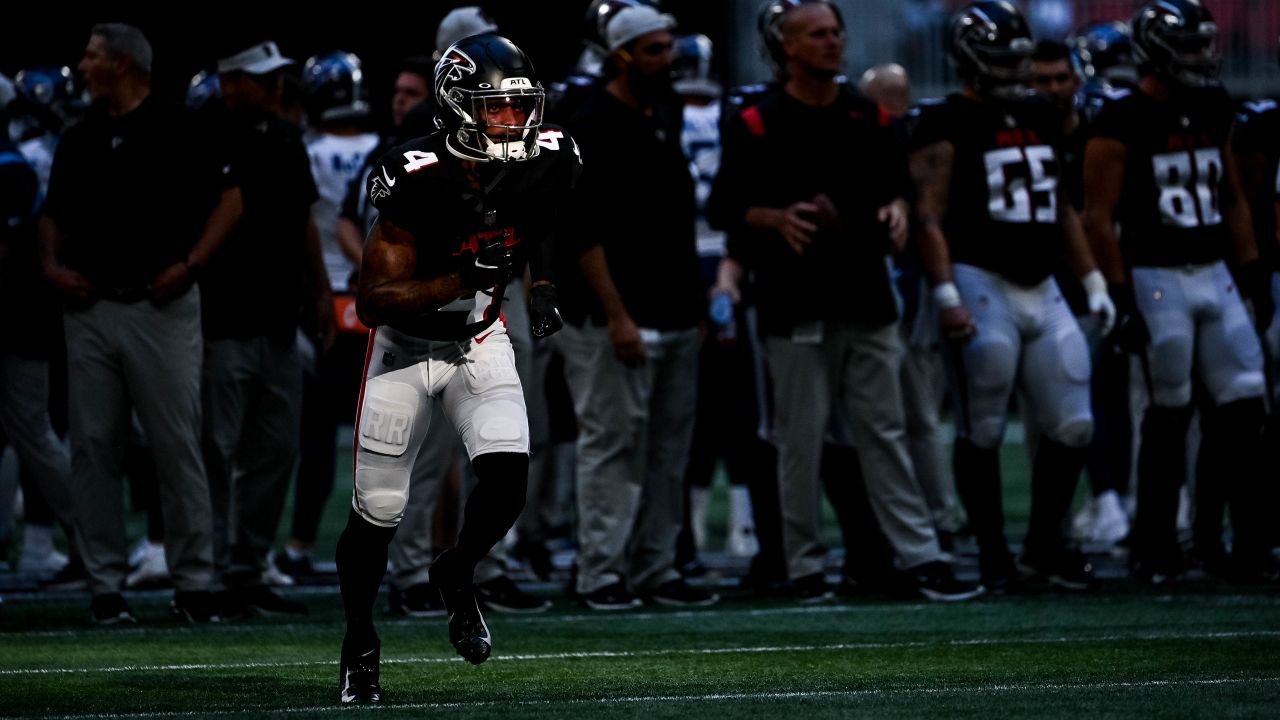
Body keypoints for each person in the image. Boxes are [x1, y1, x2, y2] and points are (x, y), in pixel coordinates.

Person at [335, 33, 579, 704]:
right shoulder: (415, 174)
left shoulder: (546, 158)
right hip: (404, 349)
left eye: (520, 107)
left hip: (479, 337)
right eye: (497, 109)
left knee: (508, 478)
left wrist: (545, 280)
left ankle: (457, 570)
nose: (515, 121)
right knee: (379, 511)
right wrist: (455, 279)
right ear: (457, 106)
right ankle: (360, 641)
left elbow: (542, 213)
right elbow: (373, 300)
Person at [710, 0, 980, 603]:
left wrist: (900, 208)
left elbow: (901, 190)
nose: (833, 42)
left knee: (885, 433)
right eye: (818, 34)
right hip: (795, 300)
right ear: (788, 46)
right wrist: (773, 216)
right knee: (799, 442)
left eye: (836, 31)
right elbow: (723, 209)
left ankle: (918, 555)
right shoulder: (757, 120)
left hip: (866, 295)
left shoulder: (868, 116)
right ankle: (803, 565)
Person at [39, 23, 241, 623]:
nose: (81, 64)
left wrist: (192, 264)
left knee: (175, 444)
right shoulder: (80, 136)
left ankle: (193, 581)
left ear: (124, 63)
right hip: (93, 305)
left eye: (93, 54)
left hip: (161, 303)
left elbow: (230, 200)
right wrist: (50, 267)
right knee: (94, 445)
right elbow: (52, 214)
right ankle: (105, 583)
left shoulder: (181, 125)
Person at [910, 1, 1114, 593]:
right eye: (1000, 59)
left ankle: (1043, 547)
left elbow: (1062, 211)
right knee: (985, 426)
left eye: (1016, 58)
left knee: (1074, 423)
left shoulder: (1043, 114)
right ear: (971, 61)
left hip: (1043, 282)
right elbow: (929, 217)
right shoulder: (946, 121)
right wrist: (946, 292)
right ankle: (994, 554)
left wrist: (1093, 278)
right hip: (979, 279)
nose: (1012, 70)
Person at [1082, 0, 1276, 584]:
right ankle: (1156, 546)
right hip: (1156, 276)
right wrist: (1118, 294)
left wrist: (1250, 271)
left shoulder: (1214, 104)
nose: (1202, 56)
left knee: (1243, 406)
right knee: (1168, 413)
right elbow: (1098, 216)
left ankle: (1239, 541)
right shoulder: (1121, 118)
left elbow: (1233, 197)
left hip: (1212, 266)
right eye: (1190, 46)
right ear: (1159, 50)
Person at [558, 4, 717, 611]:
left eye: (668, 46)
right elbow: (581, 230)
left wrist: (694, 301)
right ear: (621, 54)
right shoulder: (592, 120)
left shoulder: (665, 110)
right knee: (613, 442)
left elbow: (676, 220)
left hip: (674, 304)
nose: (668, 59)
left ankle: (655, 566)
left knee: (669, 448)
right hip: (612, 314)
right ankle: (600, 572)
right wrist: (616, 313)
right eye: (654, 49)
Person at [201, 40, 334, 616]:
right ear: (231, 83)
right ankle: (202, 571)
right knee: (212, 450)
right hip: (219, 315)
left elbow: (304, 217)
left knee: (275, 450)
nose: (275, 86)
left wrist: (322, 293)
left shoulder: (283, 136)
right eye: (262, 78)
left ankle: (246, 570)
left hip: (279, 318)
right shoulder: (201, 135)